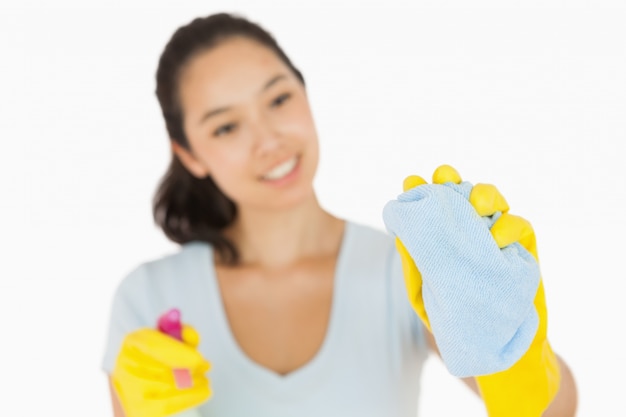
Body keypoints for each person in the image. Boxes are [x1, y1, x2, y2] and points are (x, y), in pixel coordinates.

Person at [101, 12, 578, 417]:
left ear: (305, 94)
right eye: (226, 126)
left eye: (279, 99)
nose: (270, 140)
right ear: (188, 154)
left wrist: (515, 339)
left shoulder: (403, 268)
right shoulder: (151, 299)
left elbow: (554, 411)